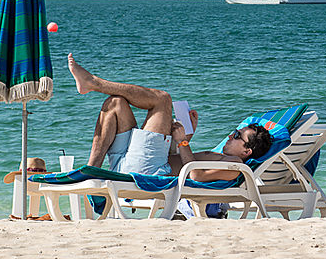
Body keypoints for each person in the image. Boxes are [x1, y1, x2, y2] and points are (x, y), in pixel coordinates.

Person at [67, 54, 272, 182]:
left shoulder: (236, 166)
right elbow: (180, 162)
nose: (230, 135)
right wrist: (184, 140)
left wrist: (182, 142)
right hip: (132, 164)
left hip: (149, 170)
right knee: (116, 103)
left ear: (248, 150)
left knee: (162, 99)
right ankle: (92, 170)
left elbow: (195, 175)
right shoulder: (222, 157)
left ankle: (94, 82)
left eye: (237, 135)